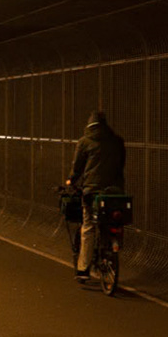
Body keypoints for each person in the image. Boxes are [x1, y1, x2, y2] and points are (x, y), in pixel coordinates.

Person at [66, 110, 127, 282]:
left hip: (92, 191)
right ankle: (114, 249)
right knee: (113, 220)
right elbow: (121, 165)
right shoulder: (117, 141)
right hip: (115, 191)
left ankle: (83, 269)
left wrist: (71, 180)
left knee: (89, 226)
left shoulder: (85, 142)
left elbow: (77, 166)